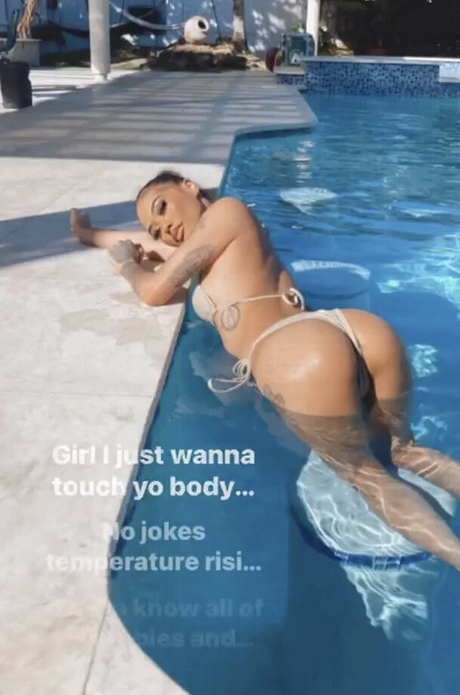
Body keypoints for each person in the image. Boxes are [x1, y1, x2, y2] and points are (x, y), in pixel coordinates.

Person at [70, 170, 460, 569]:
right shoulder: (226, 232)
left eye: (162, 207)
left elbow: (154, 291)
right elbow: (146, 245)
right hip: (359, 331)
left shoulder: (224, 210)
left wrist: (128, 266)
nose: (164, 229)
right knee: (404, 450)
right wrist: (89, 233)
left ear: (189, 185)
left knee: (366, 475)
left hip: (296, 353)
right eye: (156, 228)